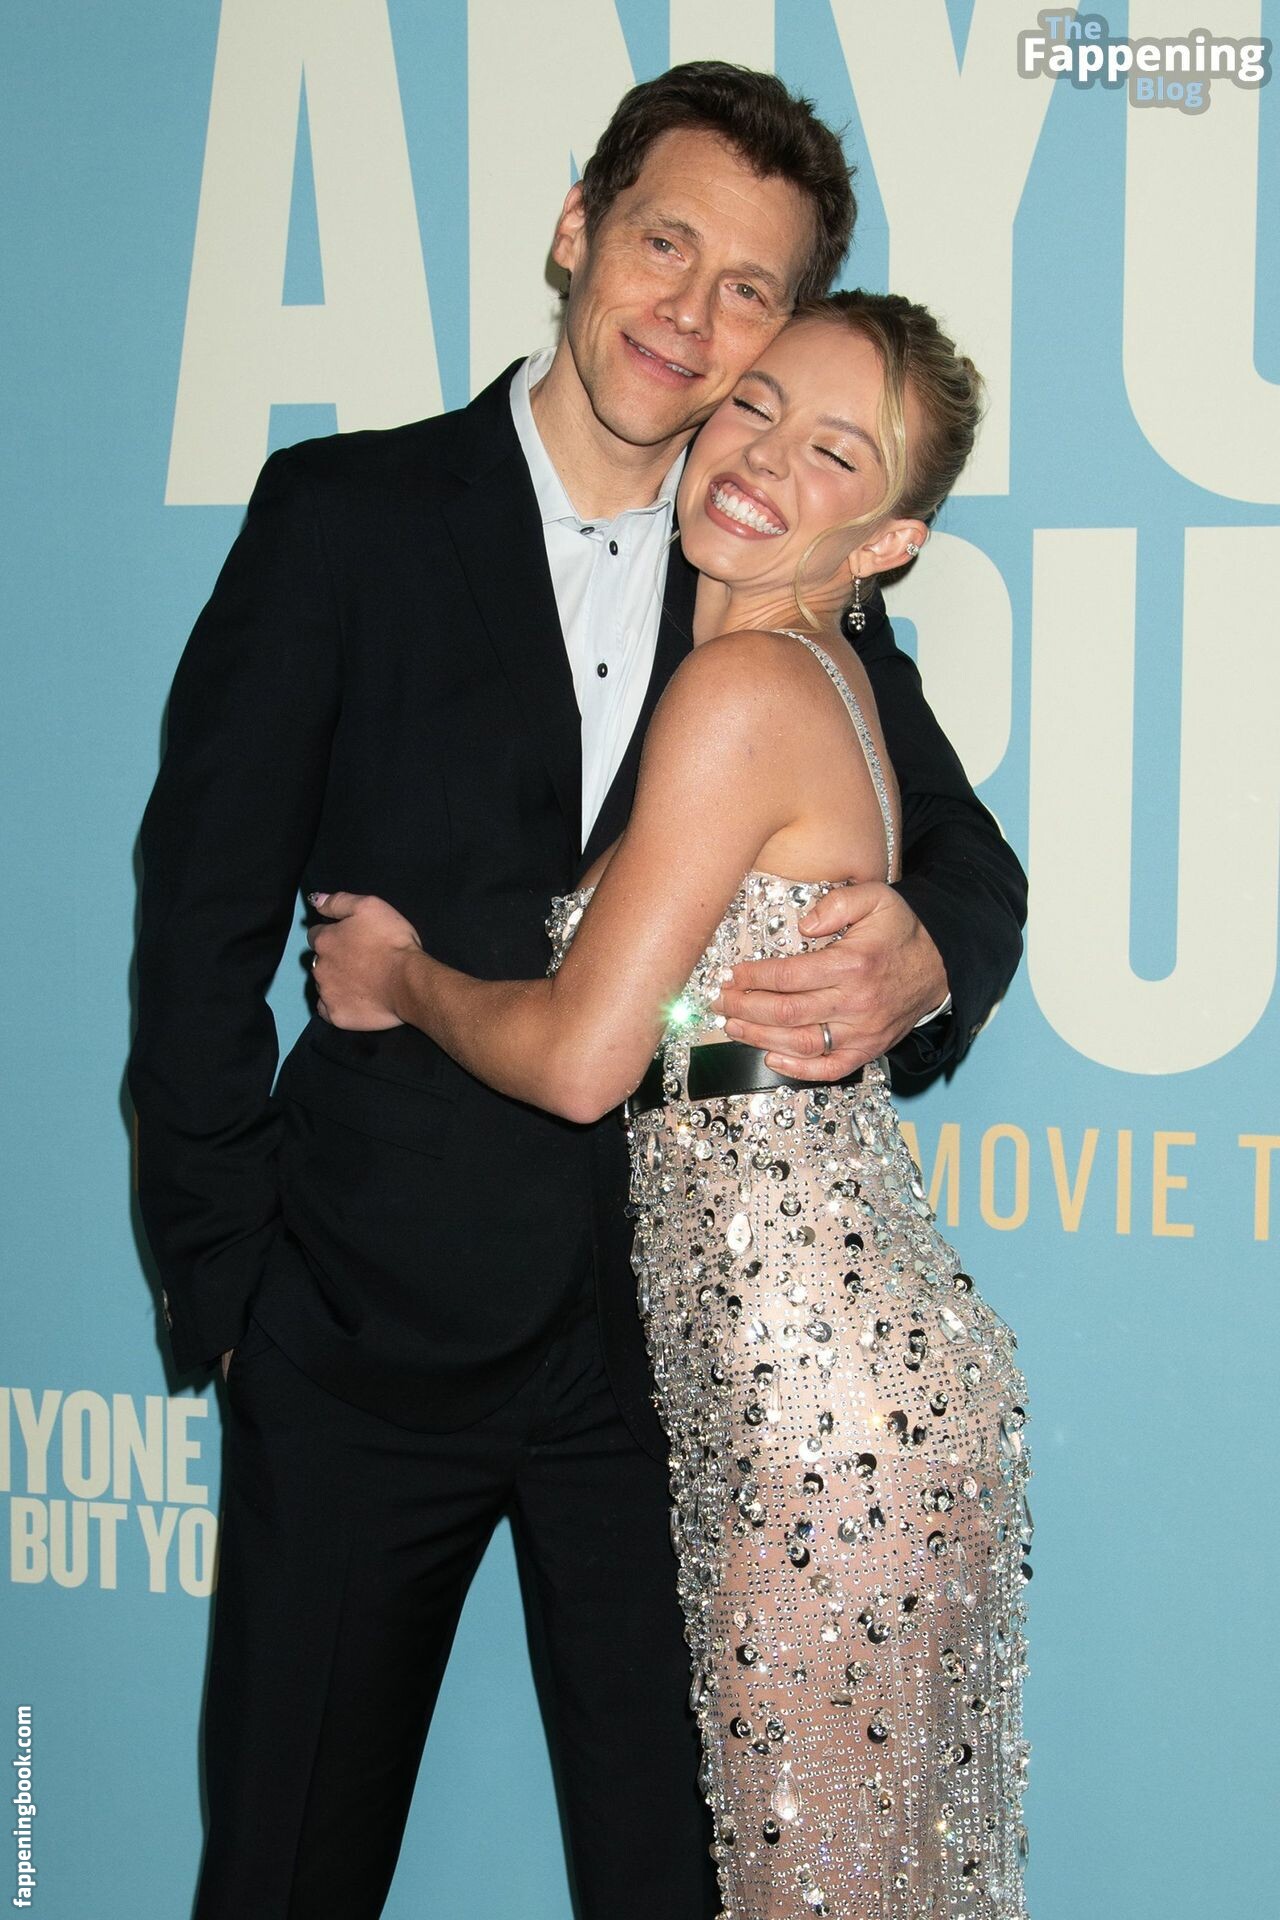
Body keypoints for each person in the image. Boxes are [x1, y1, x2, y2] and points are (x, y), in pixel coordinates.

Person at [128, 62, 1027, 1920]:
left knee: (686, 1887)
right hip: (360, 1343)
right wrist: (237, 1296)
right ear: (575, 232)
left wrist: (932, 951)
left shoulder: (790, 571)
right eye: (664, 243)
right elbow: (198, 913)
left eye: (749, 288)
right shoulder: (347, 515)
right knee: (286, 1876)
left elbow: (964, 856)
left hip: (666, 1383)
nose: (691, 313)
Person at [311, 290, 1033, 1920]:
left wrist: (401, 976)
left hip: (814, 1410)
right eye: (758, 405)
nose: (765, 459)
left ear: (890, 542)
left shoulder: (743, 689)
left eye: (834, 452)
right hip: (822, 1381)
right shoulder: (809, 674)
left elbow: (584, 1060)